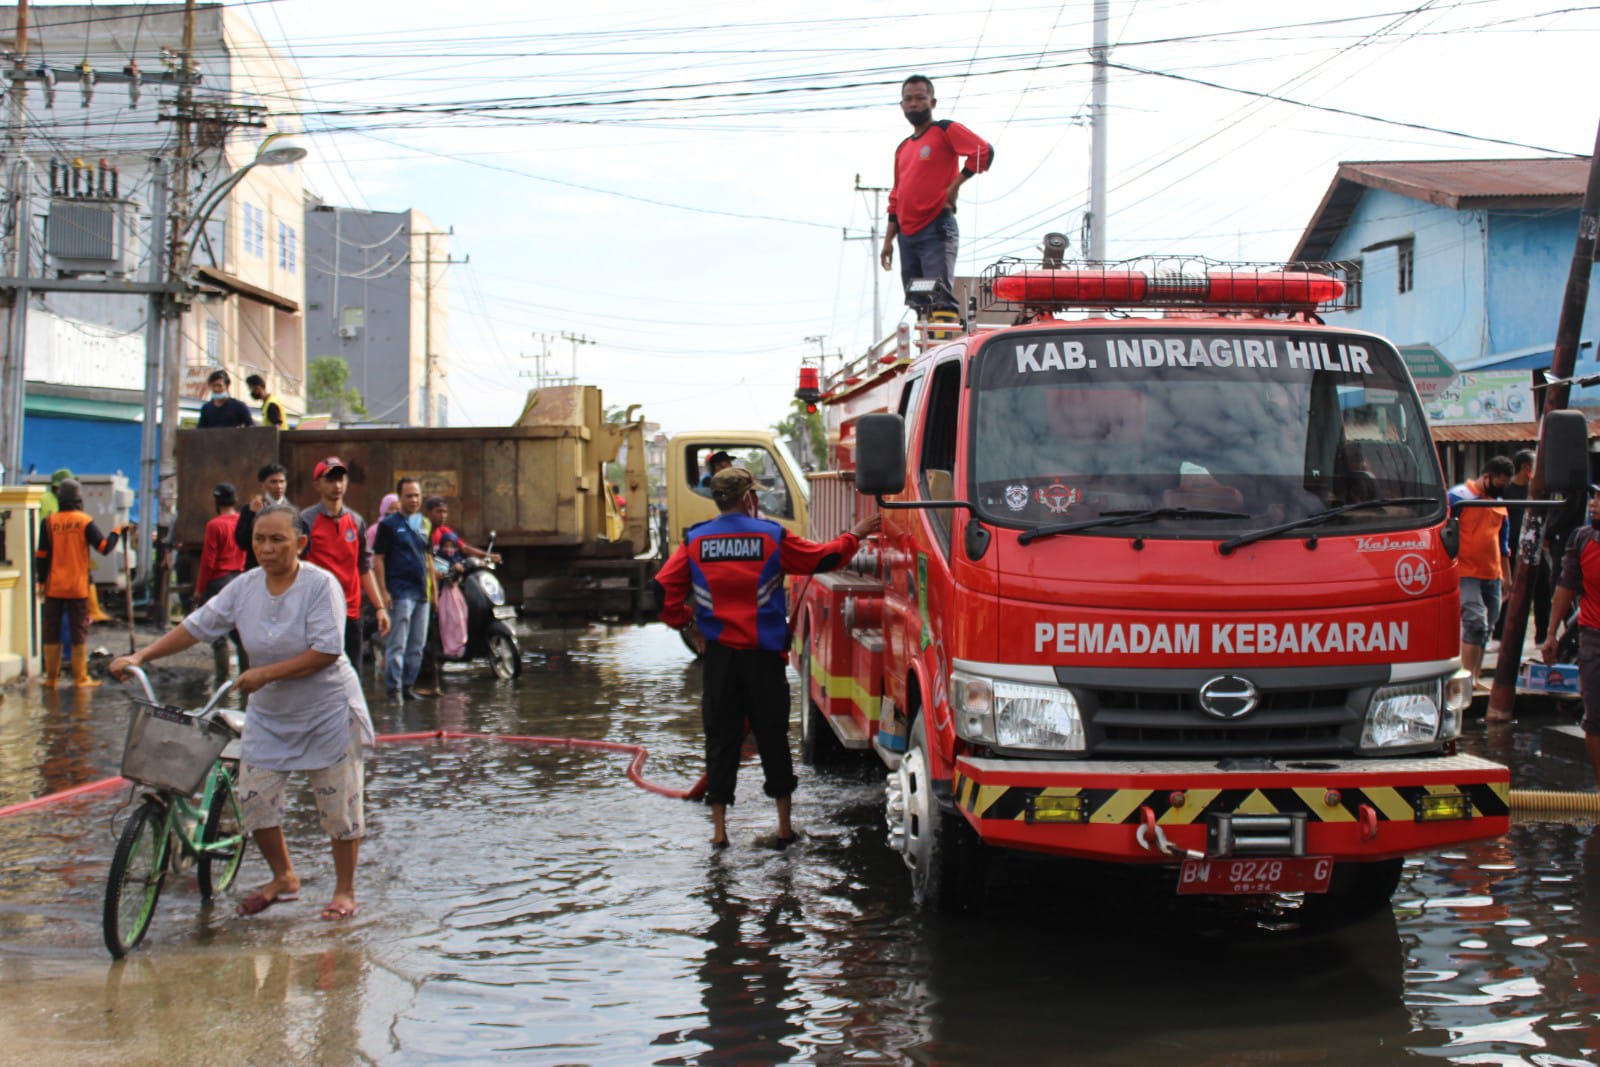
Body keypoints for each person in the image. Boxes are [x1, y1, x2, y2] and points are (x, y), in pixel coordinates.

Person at [109, 501, 374, 922]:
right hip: (270, 710)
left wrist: (265, 673)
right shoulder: (245, 586)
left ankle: (344, 890)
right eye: (259, 540)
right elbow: (197, 625)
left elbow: (327, 650)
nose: (267, 549)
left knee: (338, 803)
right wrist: (143, 655)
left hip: (326, 707)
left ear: (300, 543)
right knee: (254, 797)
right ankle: (284, 877)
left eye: (277, 540)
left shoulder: (320, 585)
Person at [655, 467, 880, 850]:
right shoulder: (771, 537)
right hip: (764, 659)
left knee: (721, 741)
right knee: (774, 738)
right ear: (749, 499)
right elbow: (824, 559)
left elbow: (662, 591)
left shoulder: (694, 541)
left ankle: (720, 832)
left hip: (720, 659)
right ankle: (783, 827)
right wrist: (855, 534)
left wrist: (689, 625)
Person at [879, 74, 994, 313]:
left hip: (935, 227)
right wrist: (888, 240)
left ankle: (945, 342)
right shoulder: (903, 148)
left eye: (920, 98)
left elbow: (983, 151)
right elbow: (896, 196)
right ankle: (926, 345)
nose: (913, 103)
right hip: (907, 234)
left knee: (937, 296)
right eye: (908, 99)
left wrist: (955, 185)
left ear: (932, 102)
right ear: (902, 106)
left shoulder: (944, 130)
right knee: (917, 299)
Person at [300, 457, 388, 667]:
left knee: (352, 674)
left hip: (351, 611)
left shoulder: (356, 522)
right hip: (318, 612)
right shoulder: (306, 521)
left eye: (340, 479)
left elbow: (364, 567)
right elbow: (296, 567)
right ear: (317, 485)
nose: (337, 485)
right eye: (329, 480)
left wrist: (379, 607)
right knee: (319, 673)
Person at [34, 478, 121, 688]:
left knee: (51, 630)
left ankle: (51, 679)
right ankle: (80, 678)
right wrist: (116, 533)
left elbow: (42, 555)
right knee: (78, 631)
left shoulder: (50, 522)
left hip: (54, 587)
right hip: (77, 588)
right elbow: (103, 547)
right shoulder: (84, 521)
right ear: (78, 499)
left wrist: (41, 583)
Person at [1543, 489, 1600, 785]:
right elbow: (1565, 586)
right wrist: (1552, 634)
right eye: (1594, 498)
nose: (1594, 504)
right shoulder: (1581, 539)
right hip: (1593, 637)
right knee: (1595, 717)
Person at [1449, 455, 1514, 694]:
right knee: (1475, 621)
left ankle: (1475, 677)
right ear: (1487, 476)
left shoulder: (1499, 503)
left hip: (1492, 572)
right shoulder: (1458, 497)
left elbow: (1503, 543)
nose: (1501, 487)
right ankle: (1465, 680)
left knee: (1488, 625)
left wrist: (1507, 576)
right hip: (1466, 571)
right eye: (1499, 482)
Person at [373, 478, 433, 699]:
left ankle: (408, 686)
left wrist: (432, 591)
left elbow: (428, 558)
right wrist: (384, 591)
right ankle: (394, 688)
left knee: (417, 644)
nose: (414, 500)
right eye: (409, 496)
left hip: (421, 591)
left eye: (417, 495)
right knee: (398, 643)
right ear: (399, 498)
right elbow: (378, 558)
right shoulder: (388, 525)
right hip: (399, 590)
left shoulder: (424, 524)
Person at [193, 482, 250, 677]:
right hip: (239, 578)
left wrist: (200, 589)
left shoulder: (214, 525)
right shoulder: (242, 521)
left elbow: (208, 561)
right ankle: (245, 678)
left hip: (219, 581)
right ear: (235, 499)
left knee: (218, 634)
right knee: (239, 631)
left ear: (216, 501)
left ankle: (222, 681)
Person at [1497, 449, 1554, 644]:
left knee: (1543, 590)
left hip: (1535, 548)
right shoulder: (1505, 492)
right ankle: (1499, 636)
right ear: (1526, 467)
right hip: (1511, 550)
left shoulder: (1538, 492)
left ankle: (1542, 636)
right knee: (1508, 592)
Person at [234, 462, 294, 569]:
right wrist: (254, 515)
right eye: (273, 482)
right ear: (262, 485)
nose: (279, 486)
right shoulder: (250, 509)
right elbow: (242, 542)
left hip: (285, 568)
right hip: (258, 567)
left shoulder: (292, 511)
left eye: (282, 482)